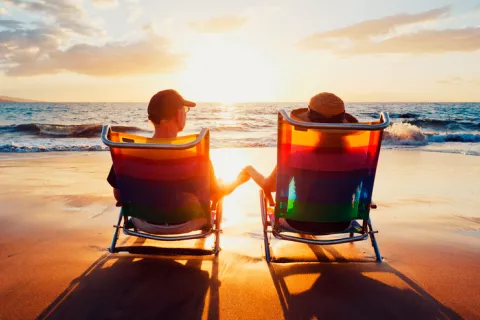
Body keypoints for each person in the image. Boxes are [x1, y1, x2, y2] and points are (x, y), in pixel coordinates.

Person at [107, 89, 250, 231]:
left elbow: (119, 195)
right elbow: (215, 195)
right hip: (187, 222)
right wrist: (238, 181)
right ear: (178, 115)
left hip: (143, 222)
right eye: (185, 110)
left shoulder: (130, 153)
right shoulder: (195, 156)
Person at [244, 92, 358, 233]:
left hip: (298, 223)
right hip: (341, 223)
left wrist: (250, 170)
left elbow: (269, 186)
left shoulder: (298, 156)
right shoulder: (356, 159)